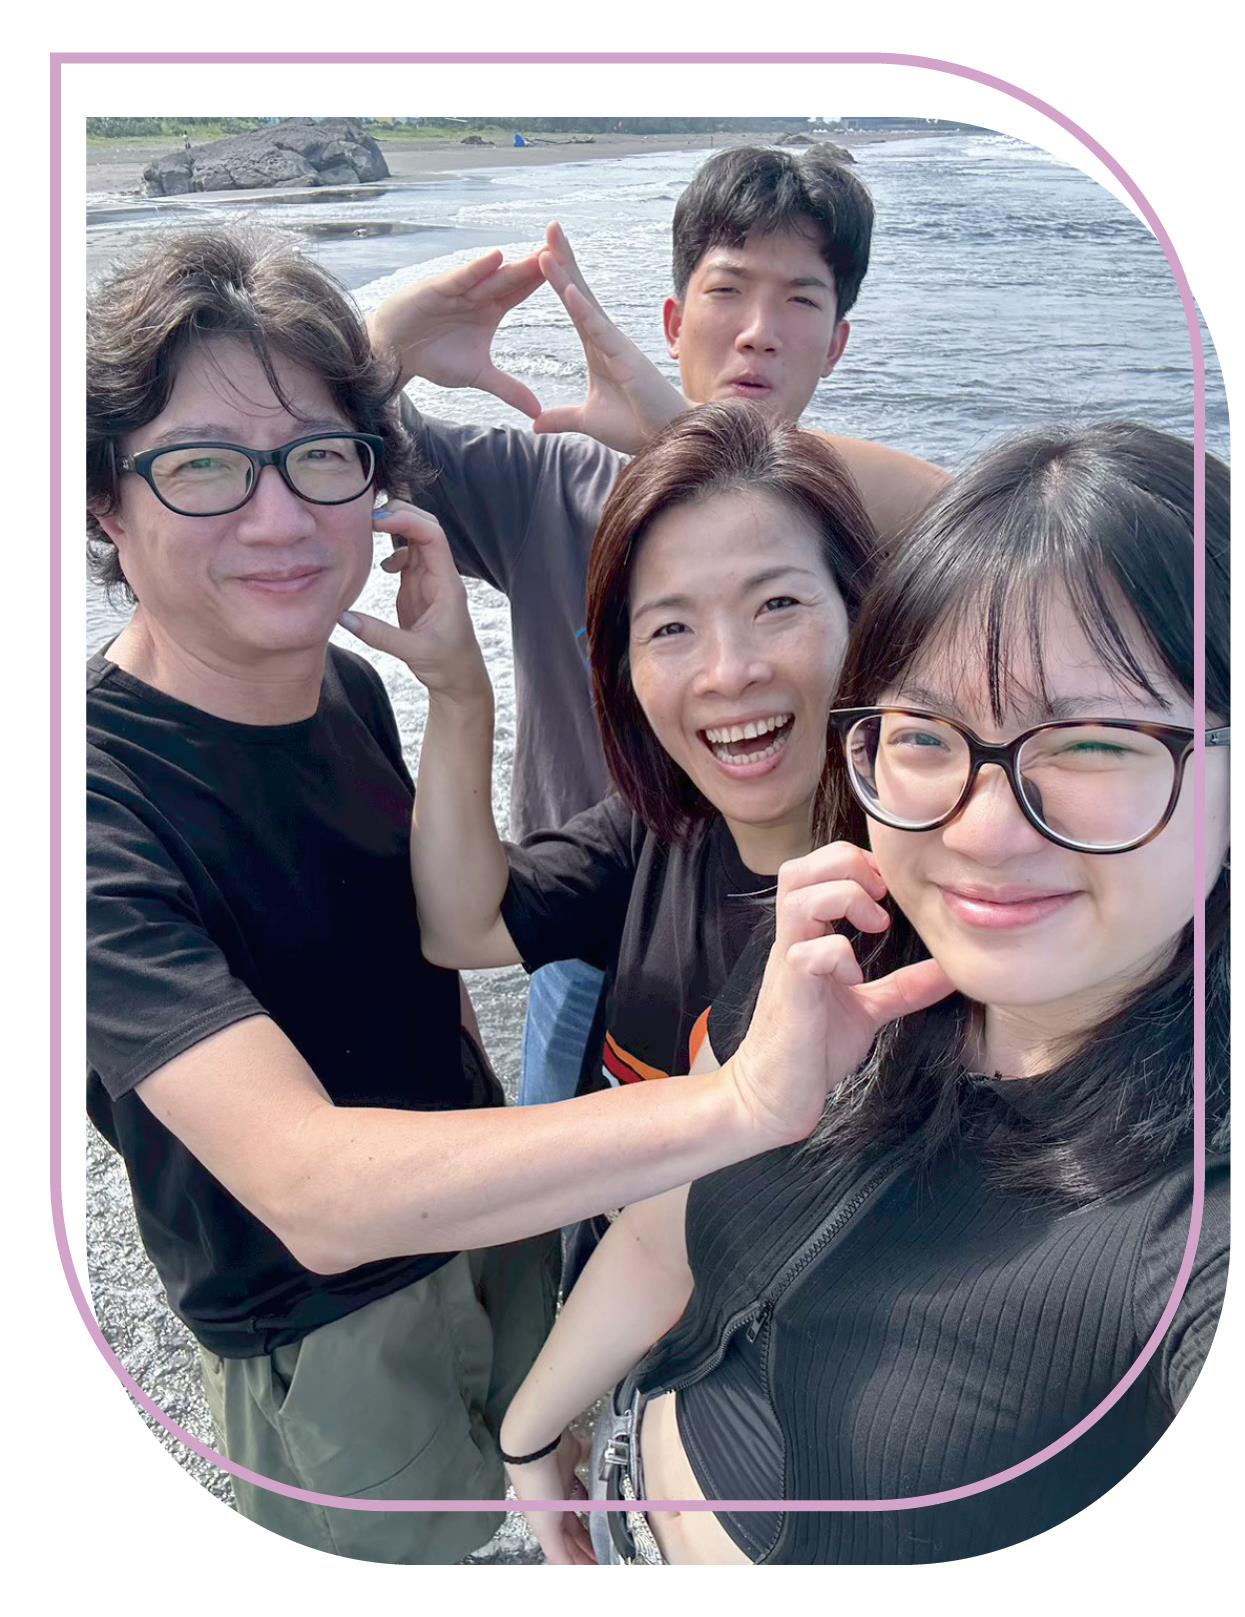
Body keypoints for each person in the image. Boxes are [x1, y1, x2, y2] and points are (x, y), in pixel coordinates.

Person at [85, 226, 855, 1565]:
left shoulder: (345, 688)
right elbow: (314, 1188)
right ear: (104, 503)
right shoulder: (75, 811)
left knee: (540, 1480)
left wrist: (453, 686)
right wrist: (740, 1104)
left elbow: (439, 942)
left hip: (494, 1215)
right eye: (201, 467)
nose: (278, 518)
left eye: (319, 460)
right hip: (324, 1323)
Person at [497, 421, 1230, 1565]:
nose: (980, 832)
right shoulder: (831, 952)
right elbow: (658, 1238)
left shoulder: (1201, 1214)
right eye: (925, 734)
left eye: (1091, 743)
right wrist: (530, 1441)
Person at [367, 143, 951, 1109]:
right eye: (729, 290)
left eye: (800, 300)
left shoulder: (854, 521)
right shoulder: (549, 482)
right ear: (674, 321)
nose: (758, 332)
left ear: (837, 342)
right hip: (580, 909)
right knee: (586, 1156)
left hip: (807, 903)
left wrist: (683, 433)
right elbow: (359, 457)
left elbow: (1021, 528)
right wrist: (381, 346)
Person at [341, 402, 881, 1279]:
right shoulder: (655, 833)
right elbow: (461, 926)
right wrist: (459, 691)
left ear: (866, 614)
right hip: (619, 1310)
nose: (728, 671)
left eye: (777, 603)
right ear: (623, 669)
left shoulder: (930, 898)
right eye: (671, 627)